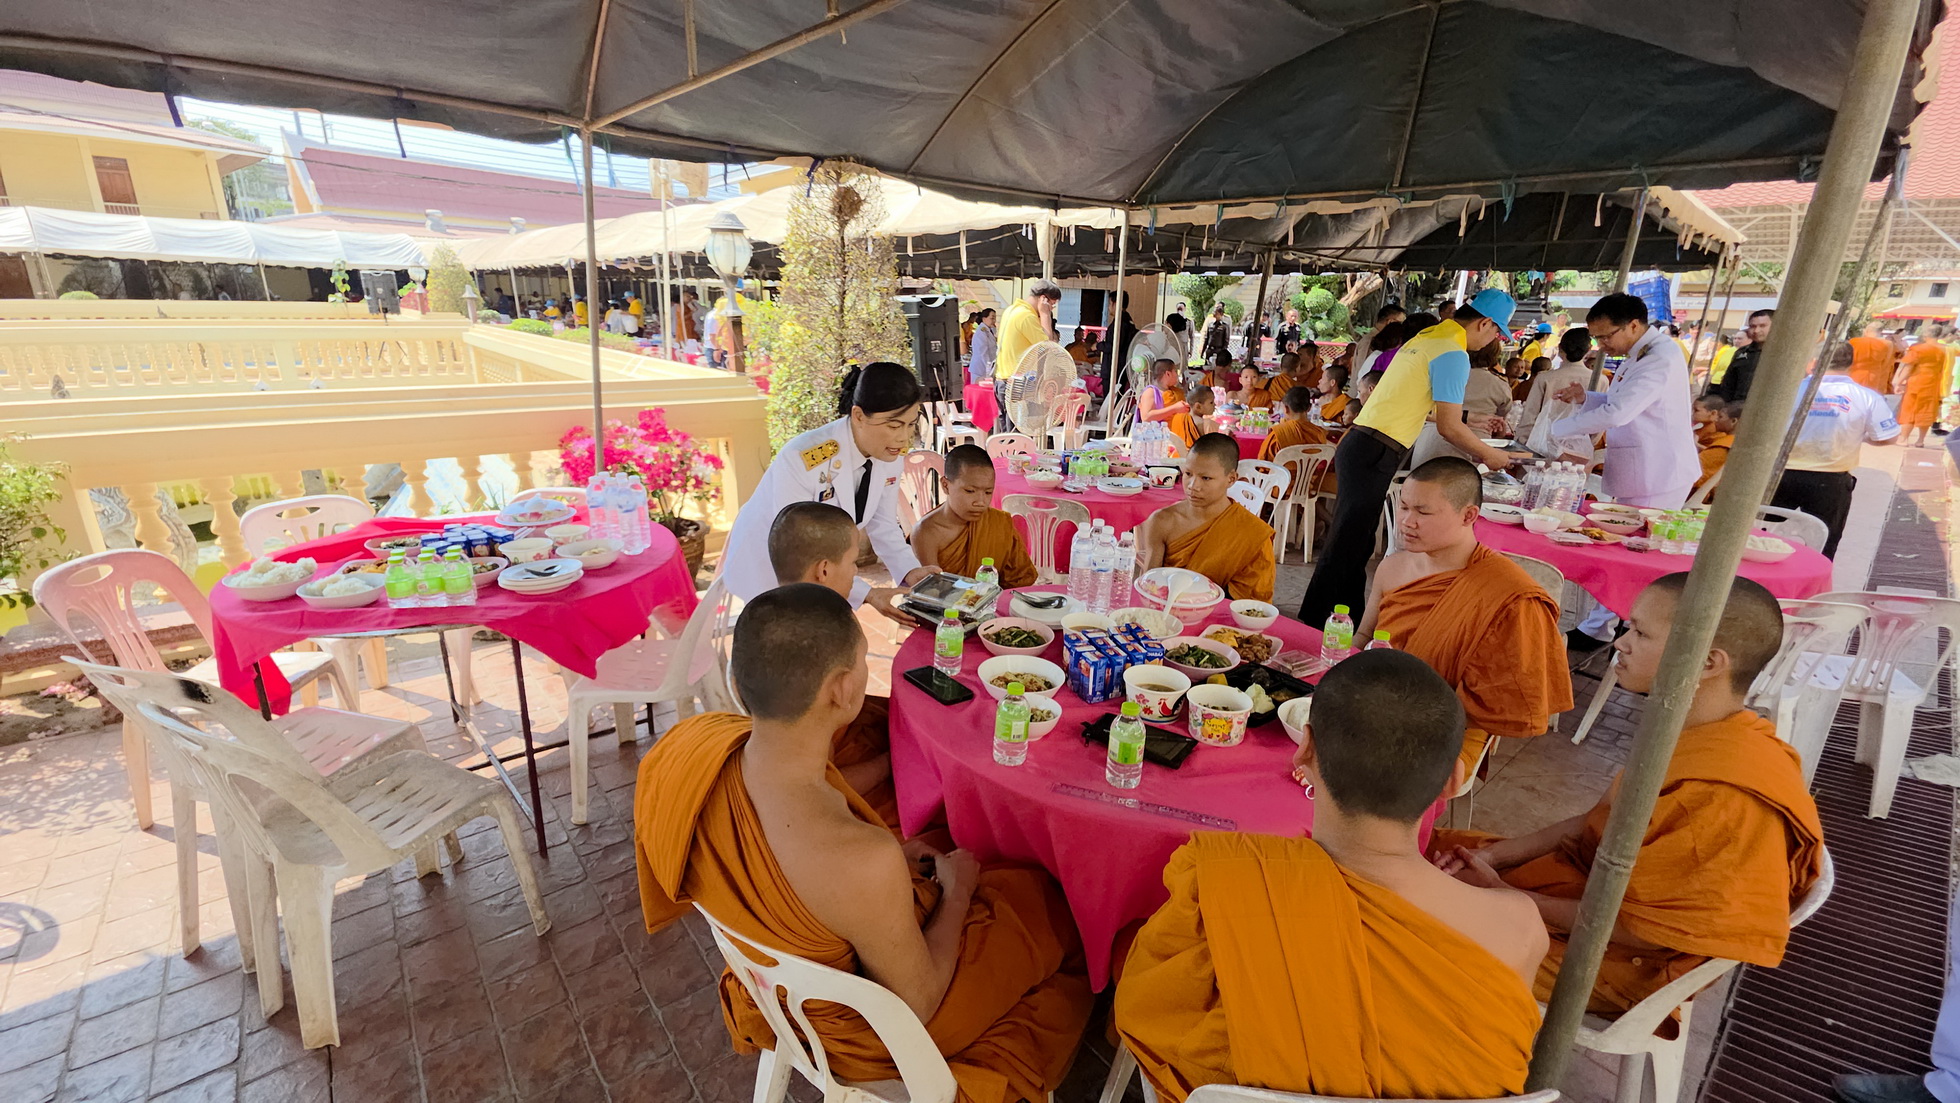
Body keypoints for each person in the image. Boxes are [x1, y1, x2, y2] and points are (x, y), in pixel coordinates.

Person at [634, 585, 1094, 1101]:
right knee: (1053, 907)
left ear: (740, 683)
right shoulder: (861, 860)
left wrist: (894, 863)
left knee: (946, 843)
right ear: (842, 689)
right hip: (866, 1031)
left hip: (776, 980)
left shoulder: (692, 751)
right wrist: (958, 891)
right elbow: (919, 1002)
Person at [1115, 650, 1547, 1102]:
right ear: (1453, 781)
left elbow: (1145, 1012)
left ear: (1305, 749)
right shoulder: (1521, 929)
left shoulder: (1223, 881)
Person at [1433, 574, 1825, 1016]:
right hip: (1582, 884)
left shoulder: (1724, 797)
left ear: (1708, 662)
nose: (1620, 643)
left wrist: (1505, 895)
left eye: (1640, 632)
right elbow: (1597, 818)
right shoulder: (1693, 730)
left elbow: (1644, 932)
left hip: (1617, 960)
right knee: (1412, 850)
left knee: (1407, 925)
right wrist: (1494, 857)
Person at [1298, 290, 1518, 626]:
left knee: (1356, 544)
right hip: (1375, 449)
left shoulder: (1429, 336)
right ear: (1485, 323)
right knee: (1346, 545)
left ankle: (1351, 623)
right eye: (1496, 333)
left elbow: (1414, 402)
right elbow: (1448, 427)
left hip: (1362, 444)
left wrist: (1470, 418)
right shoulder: (1453, 353)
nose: (1493, 341)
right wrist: (1491, 455)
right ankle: (1312, 625)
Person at [1357, 458, 1571, 773]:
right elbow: (1364, 636)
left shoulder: (1509, 594)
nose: (1406, 522)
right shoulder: (1392, 567)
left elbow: (1499, 701)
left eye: (1423, 512)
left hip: (1453, 724)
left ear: (1468, 515)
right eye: (1403, 507)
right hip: (1376, 698)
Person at [720, 362, 934, 613]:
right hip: (768, 567)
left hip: (821, 569)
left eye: (911, 425)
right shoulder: (804, 458)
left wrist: (910, 571)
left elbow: (883, 524)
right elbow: (798, 546)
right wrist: (867, 593)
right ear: (858, 416)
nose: (903, 438)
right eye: (894, 426)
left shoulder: (889, 456)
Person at [1552, 294, 1701, 650]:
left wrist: (1559, 430)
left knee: (1635, 552)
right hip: (1644, 466)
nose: (1602, 345)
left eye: (1606, 336)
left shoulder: (1658, 359)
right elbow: (1621, 403)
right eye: (1597, 338)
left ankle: (1617, 629)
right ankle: (1606, 625)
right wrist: (1586, 398)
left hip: (1657, 469)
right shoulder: (1641, 353)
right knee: (1627, 547)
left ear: (1633, 325)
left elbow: (1619, 413)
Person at [763, 502, 903, 828]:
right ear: (824, 570)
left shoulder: (769, 616)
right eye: (853, 563)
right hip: (824, 795)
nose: (855, 573)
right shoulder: (816, 649)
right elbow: (820, 789)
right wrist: (892, 761)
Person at [1774, 340, 1901, 557]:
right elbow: (1888, 437)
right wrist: (1861, 438)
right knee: (1823, 543)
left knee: (1764, 534)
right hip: (1831, 481)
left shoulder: (1788, 390)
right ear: (1852, 364)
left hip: (1780, 476)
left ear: (1813, 362)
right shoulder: (1866, 397)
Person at [1139, 432, 1275, 601]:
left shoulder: (1254, 535)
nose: (1193, 486)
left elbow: (1251, 606)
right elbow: (1149, 588)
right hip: (1165, 612)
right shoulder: (1162, 521)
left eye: (1206, 478)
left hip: (1222, 616)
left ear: (1231, 479)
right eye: (1188, 474)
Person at [911, 445, 1039, 588]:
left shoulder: (999, 523)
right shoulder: (926, 532)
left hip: (993, 600)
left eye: (988, 492)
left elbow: (1020, 580)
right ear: (946, 486)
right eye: (970, 491)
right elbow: (931, 590)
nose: (980, 502)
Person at [997, 279, 1061, 426]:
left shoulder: (1011, 310)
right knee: (1018, 435)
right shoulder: (1026, 316)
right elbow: (1047, 345)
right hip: (1017, 384)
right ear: (1044, 299)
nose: (1051, 308)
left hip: (1004, 380)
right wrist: (1045, 315)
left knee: (1007, 434)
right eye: (1052, 304)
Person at [1707, 308, 1774, 401]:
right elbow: (1728, 383)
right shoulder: (1741, 352)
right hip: (1737, 404)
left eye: (1762, 326)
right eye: (1753, 326)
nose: (1756, 330)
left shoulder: (1781, 354)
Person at [1897, 328, 1947, 446]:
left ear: (1925, 336)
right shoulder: (1945, 349)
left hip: (1917, 382)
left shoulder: (1919, 349)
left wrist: (1899, 382)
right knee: (1927, 410)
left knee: (1910, 410)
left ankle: (1904, 439)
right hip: (1934, 383)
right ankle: (1920, 440)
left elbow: (1908, 367)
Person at [1257, 386, 1331, 463]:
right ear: (1309, 408)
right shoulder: (1318, 433)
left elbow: (1263, 463)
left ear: (1286, 409)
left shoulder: (1278, 434)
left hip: (1282, 471)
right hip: (1310, 471)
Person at [1348, 304, 1406, 392]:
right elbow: (1363, 372)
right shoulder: (1370, 341)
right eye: (1401, 323)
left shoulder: (1376, 340)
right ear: (1390, 322)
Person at [1695, 400, 1740, 492]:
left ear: (1733, 421)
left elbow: (1695, 475)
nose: (1716, 419)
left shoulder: (1724, 446)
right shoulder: (1732, 442)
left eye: (1720, 417)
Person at [1848, 323, 1900, 394]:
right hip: (1875, 376)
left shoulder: (1854, 341)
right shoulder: (1887, 343)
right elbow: (1886, 364)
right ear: (1881, 331)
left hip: (1854, 373)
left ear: (1866, 331)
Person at [1138, 359, 1189, 426]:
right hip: (1159, 431)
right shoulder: (1150, 392)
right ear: (1168, 374)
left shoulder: (1174, 391)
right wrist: (1174, 409)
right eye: (1175, 372)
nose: (1177, 375)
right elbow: (1146, 417)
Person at [966, 307, 997, 386]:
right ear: (984, 319)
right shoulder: (981, 332)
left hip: (987, 366)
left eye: (995, 318)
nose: (994, 321)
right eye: (992, 318)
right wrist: (989, 368)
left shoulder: (988, 330)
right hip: (980, 367)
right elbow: (982, 352)